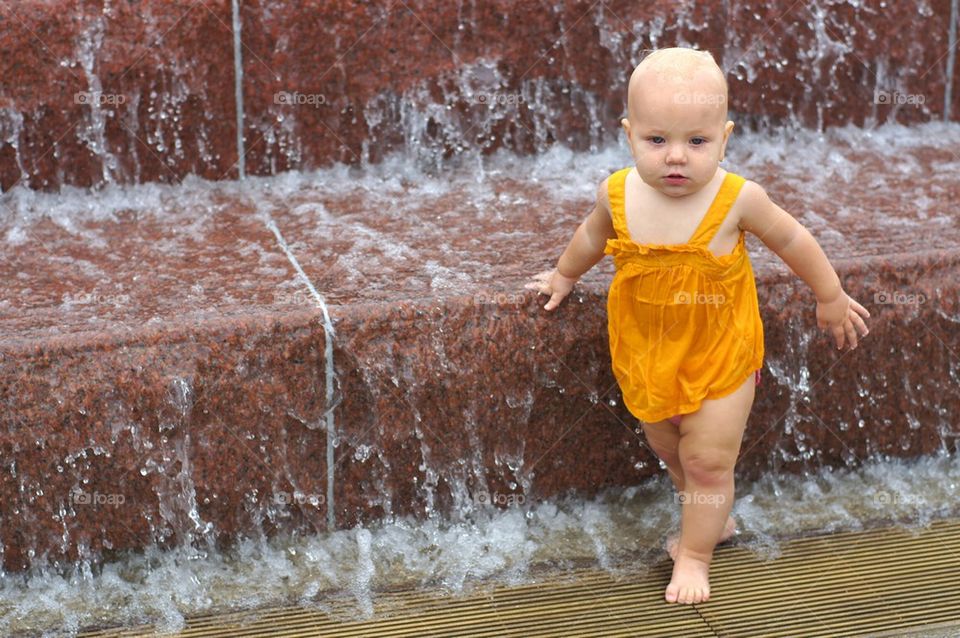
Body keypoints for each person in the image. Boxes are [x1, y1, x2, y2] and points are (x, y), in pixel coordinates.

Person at [525, 47, 871, 605]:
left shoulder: (737, 199)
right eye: (656, 141)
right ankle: (709, 515)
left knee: (706, 460)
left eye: (697, 142)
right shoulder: (618, 193)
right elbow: (592, 235)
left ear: (725, 138)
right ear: (628, 133)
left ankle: (695, 554)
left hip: (721, 354)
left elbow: (792, 239)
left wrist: (829, 296)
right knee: (670, 450)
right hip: (646, 354)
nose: (676, 158)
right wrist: (564, 276)